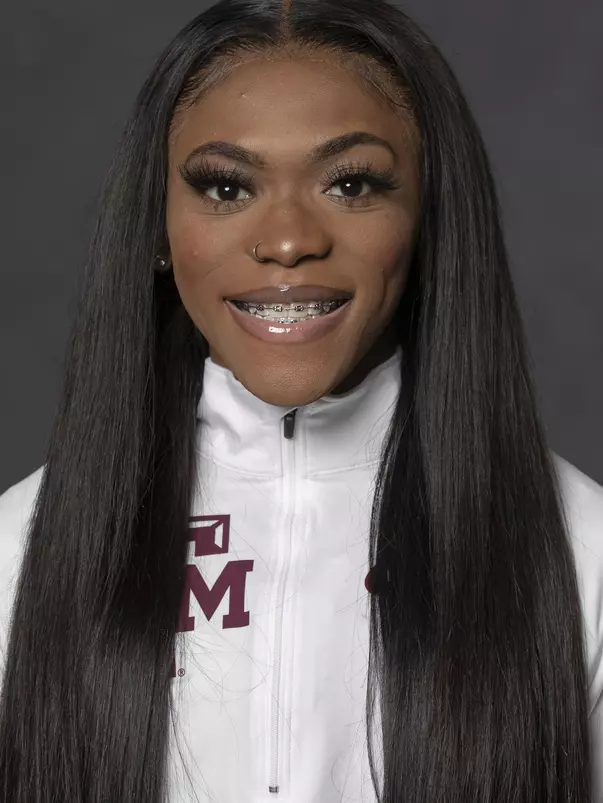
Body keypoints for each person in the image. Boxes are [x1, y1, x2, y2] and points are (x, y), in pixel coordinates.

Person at [0, 0, 601, 800]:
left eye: (350, 183)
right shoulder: (18, 553)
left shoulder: (580, 552)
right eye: (225, 187)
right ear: (155, 224)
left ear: (428, 217)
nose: (287, 240)